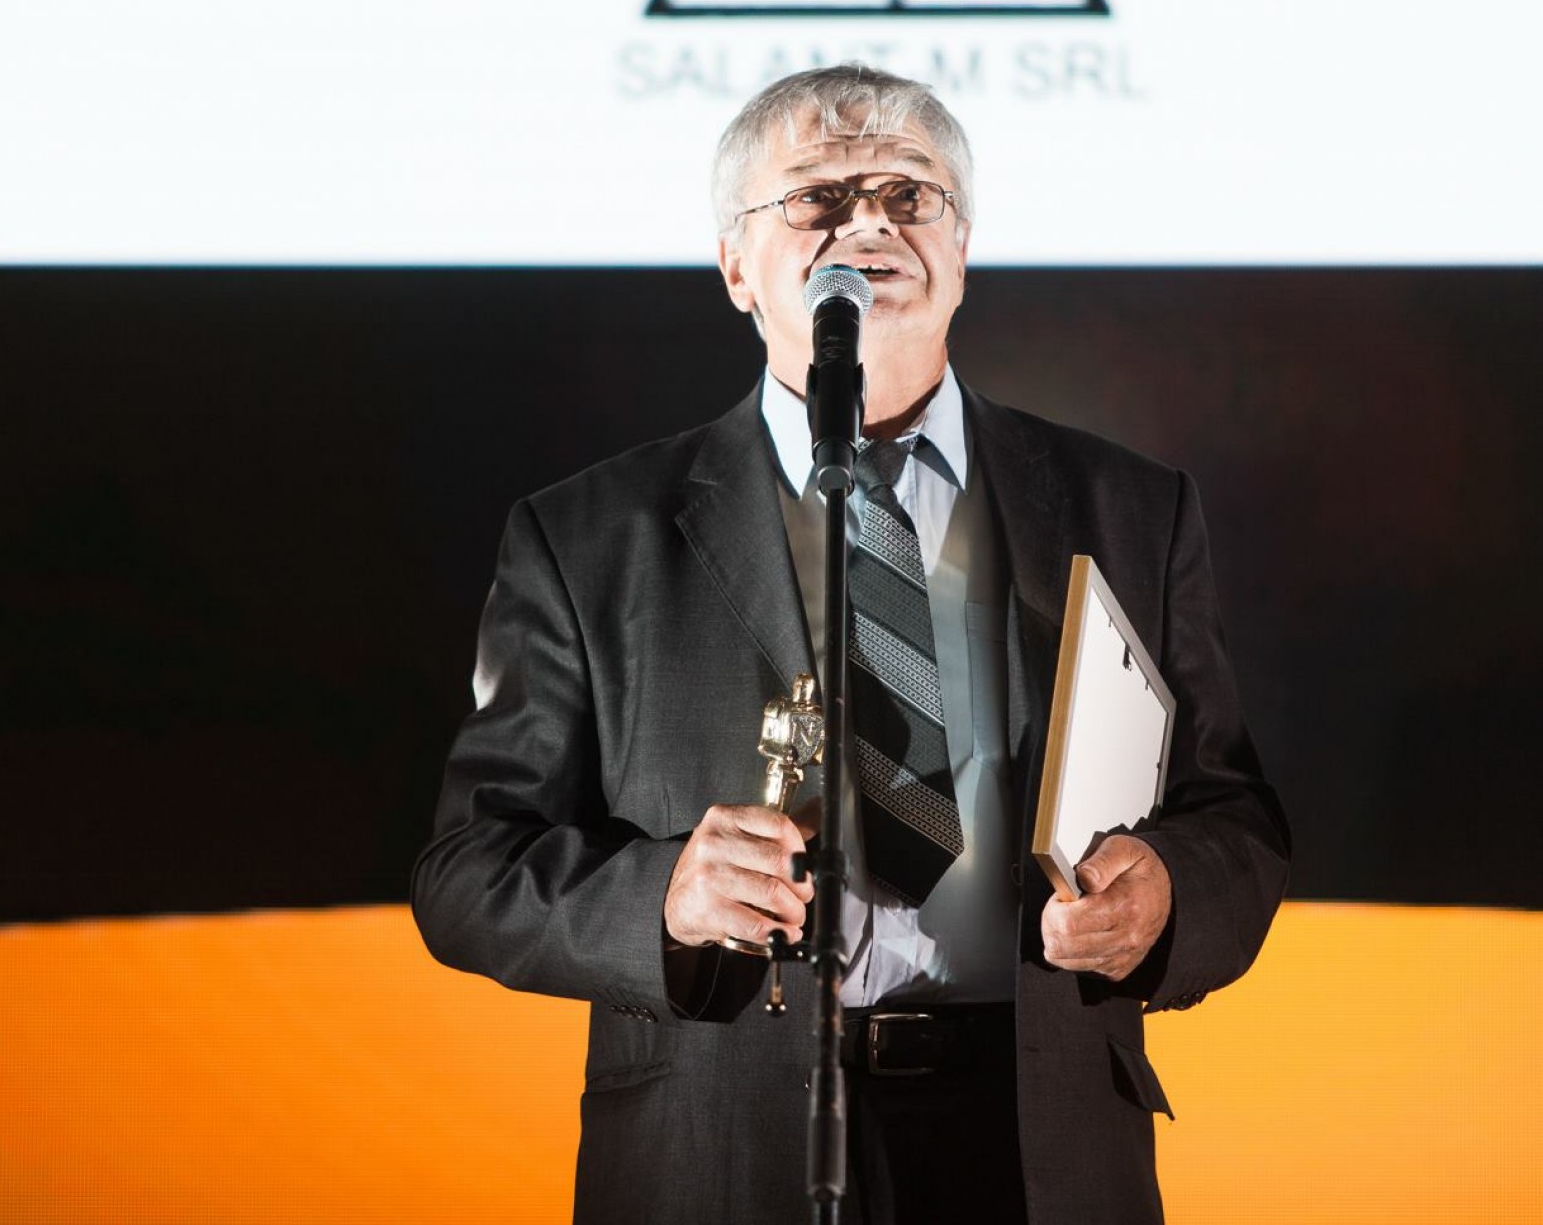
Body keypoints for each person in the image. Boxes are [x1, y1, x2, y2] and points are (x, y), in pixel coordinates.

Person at [411, 64, 1289, 1225]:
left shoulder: (1130, 508)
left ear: (961, 250)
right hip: (721, 1146)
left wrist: (1167, 894)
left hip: (1039, 1143)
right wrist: (661, 897)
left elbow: (1234, 819)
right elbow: (466, 872)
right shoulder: (585, 536)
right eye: (817, 198)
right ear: (735, 265)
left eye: (909, 195)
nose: (868, 224)